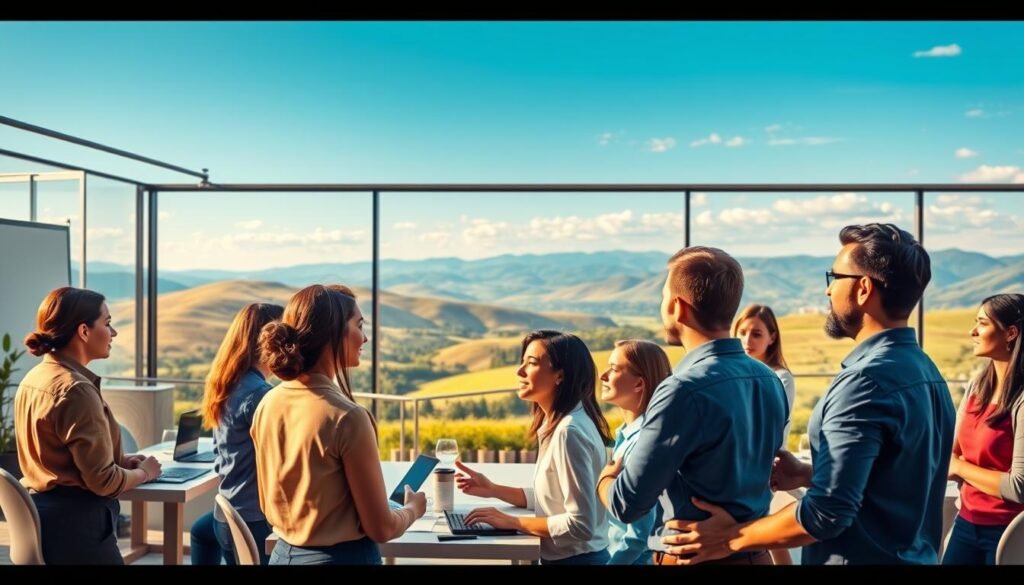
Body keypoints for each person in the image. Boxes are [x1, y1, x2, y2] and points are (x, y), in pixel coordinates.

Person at [660, 223, 955, 565]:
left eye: (834, 277)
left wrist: (730, 537)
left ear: (862, 289)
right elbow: (897, 479)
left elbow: (826, 513)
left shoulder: (864, 383)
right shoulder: (928, 373)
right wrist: (806, 474)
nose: (828, 291)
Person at [596, 246, 788, 566]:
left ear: (677, 307)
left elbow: (626, 505)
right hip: (756, 555)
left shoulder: (681, 391)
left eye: (663, 298)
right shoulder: (769, 380)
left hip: (695, 558)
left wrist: (606, 479)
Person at [251, 284, 426, 565]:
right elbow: (381, 529)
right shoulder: (348, 417)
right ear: (333, 334)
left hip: (282, 555)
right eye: (359, 325)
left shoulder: (268, 403)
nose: (364, 338)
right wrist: (413, 510)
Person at [15, 287, 161, 564]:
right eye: (107, 323)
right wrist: (144, 473)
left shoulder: (34, 378)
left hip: (46, 523)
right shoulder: (76, 390)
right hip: (78, 532)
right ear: (84, 331)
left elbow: (58, 455)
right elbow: (103, 481)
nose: (113, 333)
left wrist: (120, 460)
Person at [455, 330, 612, 565]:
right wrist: (493, 489)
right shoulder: (561, 423)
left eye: (531, 363)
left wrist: (511, 522)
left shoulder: (569, 432)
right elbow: (553, 498)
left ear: (560, 375)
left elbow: (581, 525)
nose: (519, 371)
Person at [188, 303, 284, 565]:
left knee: (199, 533)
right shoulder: (260, 395)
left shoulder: (227, 385)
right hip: (253, 524)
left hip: (226, 513)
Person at [943, 293, 1024, 565]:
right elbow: (949, 455)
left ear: (1010, 333)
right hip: (966, 524)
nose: (973, 331)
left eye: (982, 323)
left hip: (1010, 533)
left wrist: (961, 466)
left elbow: (1018, 487)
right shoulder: (977, 385)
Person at [598, 340, 671, 565]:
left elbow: (638, 536)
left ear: (639, 383)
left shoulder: (643, 442)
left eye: (614, 368)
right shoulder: (626, 434)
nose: (603, 375)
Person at [733, 303, 796, 441]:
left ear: (772, 337)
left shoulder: (781, 378)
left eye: (756, 334)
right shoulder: (731, 375)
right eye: (742, 333)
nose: (747, 340)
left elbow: (771, 428)